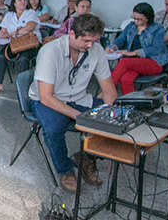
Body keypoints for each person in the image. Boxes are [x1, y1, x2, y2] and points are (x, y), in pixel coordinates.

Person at [29, 13, 117, 192]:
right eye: (86, 41)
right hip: (47, 100)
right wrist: (80, 117)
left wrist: (110, 114)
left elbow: (108, 90)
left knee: (109, 120)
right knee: (53, 129)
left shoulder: (96, 50)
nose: (90, 45)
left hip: (78, 98)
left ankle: (86, 158)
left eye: (94, 40)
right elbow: (46, 97)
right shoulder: (50, 51)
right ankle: (66, 171)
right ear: (71, 34)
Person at [106, 2, 168, 94]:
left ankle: (106, 92)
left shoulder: (157, 29)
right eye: (134, 18)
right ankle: (129, 104)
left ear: (148, 18)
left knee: (124, 62)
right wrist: (113, 46)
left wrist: (135, 53)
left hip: (153, 61)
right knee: (126, 79)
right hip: (133, 62)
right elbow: (120, 40)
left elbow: (156, 48)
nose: (136, 21)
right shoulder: (131, 26)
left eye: (139, 19)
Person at [0, 0, 39, 95]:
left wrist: (12, 33)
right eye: (20, 0)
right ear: (14, 3)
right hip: (14, 44)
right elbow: (3, 31)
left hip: (29, 45)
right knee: (1, 55)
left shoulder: (31, 13)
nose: (23, 2)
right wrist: (2, 34)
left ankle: (22, 88)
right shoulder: (9, 15)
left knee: (22, 59)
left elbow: (29, 28)